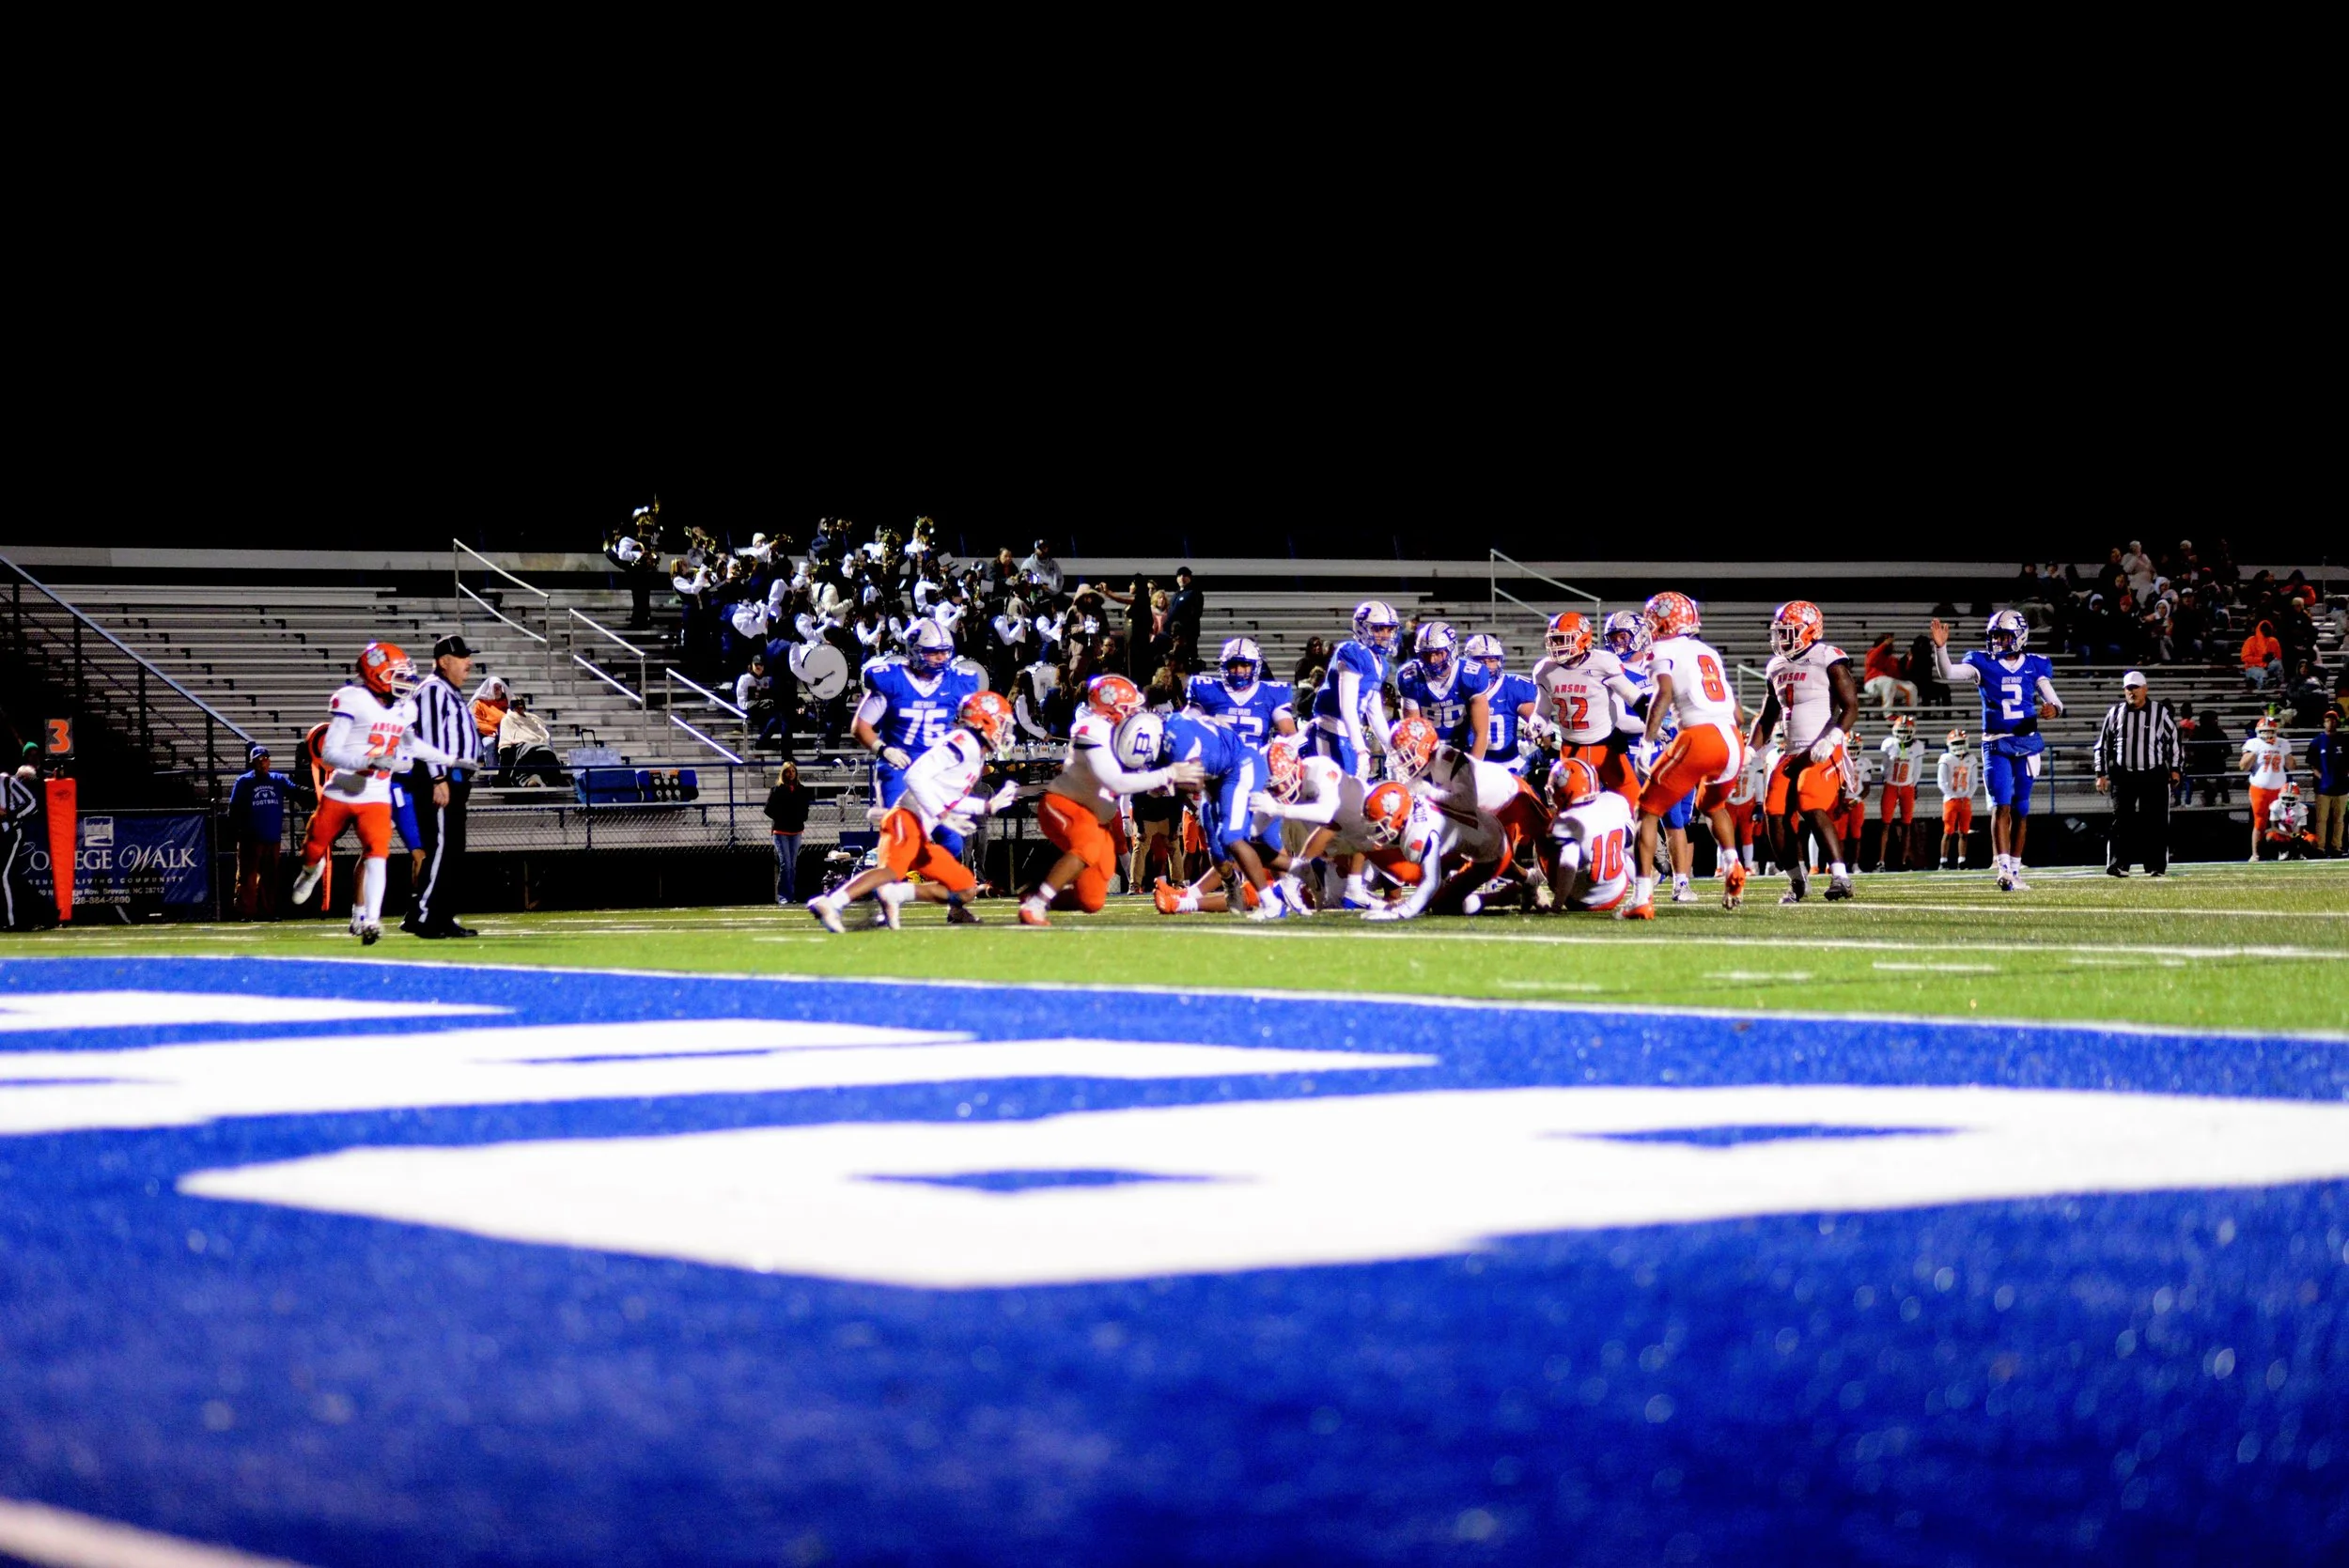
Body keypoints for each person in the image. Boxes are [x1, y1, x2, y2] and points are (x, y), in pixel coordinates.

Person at [806, 692, 1021, 933]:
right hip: (906, 818)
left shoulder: (975, 755)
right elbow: (914, 776)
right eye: (1000, 723)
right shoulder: (963, 742)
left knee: (965, 888)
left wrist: (986, 807)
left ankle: (897, 894)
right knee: (890, 872)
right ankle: (831, 903)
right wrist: (942, 814)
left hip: (920, 832)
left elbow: (950, 797)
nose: (1004, 730)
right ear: (984, 721)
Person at [290, 644, 459, 944]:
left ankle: (373, 918)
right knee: (314, 848)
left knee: (379, 853)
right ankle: (316, 875)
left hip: (382, 793)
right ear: (376, 674)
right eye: (398, 674)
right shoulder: (353, 700)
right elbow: (330, 753)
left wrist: (443, 759)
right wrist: (369, 761)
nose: (406, 681)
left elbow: (411, 746)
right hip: (345, 788)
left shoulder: (405, 708)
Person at [1019, 675, 1205, 926]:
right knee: (1087, 847)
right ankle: (1036, 906)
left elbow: (1128, 777)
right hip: (1065, 804)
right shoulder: (1092, 728)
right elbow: (1115, 781)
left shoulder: (1120, 734)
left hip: (1096, 817)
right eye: (1128, 707)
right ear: (1111, 707)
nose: (1134, 712)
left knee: (1092, 899)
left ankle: (1036, 896)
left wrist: (1157, 787)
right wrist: (1168, 774)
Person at [1620, 594, 1747, 919]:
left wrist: (1648, 741)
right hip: (1732, 739)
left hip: (1698, 736)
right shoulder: (1707, 652)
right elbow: (1739, 714)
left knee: (1646, 810)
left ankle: (1642, 898)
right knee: (1713, 805)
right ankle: (1732, 861)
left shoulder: (1661, 651)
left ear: (1660, 623)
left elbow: (1663, 693)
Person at [1931, 610, 2064, 892]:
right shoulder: (1983, 662)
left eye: (2003, 637)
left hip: (2026, 742)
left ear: (2019, 636)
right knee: (2001, 805)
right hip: (1996, 742)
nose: (1998, 642)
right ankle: (2003, 869)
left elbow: (2054, 700)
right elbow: (1949, 672)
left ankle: (2016, 869)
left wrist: (2054, 709)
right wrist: (1941, 649)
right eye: (1995, 637)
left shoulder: (2035, 664)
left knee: (2021, 809)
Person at [853, 618, 988, 877]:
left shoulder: (958, 682)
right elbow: (861, 726)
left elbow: (972, 724)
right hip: (899, 767)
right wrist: (883, 749)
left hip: (936, 771)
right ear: (915, 651)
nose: (941, 658)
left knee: (952, 842)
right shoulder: (892, 680)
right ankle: (888, 891)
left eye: (945, 652)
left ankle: (944, 892)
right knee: (899, 834)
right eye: (933, 652)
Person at [1750, 600, 1861, 903]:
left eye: (1787, 632)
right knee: (1774, 811)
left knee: (1810, 801)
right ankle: (1797, 881)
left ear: (1809, 630)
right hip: (1791, 751)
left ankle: (1841, 877)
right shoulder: (1776, 666)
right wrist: (1750, 751)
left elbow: (1851, 705)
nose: (1781, 638)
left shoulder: (1828, 657)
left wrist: (1833, 737)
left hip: (1822, 746)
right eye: (1779, 632)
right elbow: (1768, 716)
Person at [404, 634, 485, 939]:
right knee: (440, 849)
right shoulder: (434, 690)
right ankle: (427, 917)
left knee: (450, 850)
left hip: (453, 778)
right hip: (440, 778)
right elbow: (429, 738)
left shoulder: (448, 691)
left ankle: (436, 914)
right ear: (443, 661)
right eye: (462, 657)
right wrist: (438, 778)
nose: (469, 662)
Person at [1531, 613, 1642, 807]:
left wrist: (1655, 724)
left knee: (1634, 805)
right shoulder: (1545, 670)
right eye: (1554, 640)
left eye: (1562, 640)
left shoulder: (1603, 662)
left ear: (1582, 637)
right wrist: (1536, 724)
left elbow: (1635, 698)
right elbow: (1541, 711)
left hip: (1607, 748)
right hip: (1571, 749)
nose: (1557, 645)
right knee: (1570, 808)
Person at [2092, 670, 2182, 877]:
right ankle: (2118, 864)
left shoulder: (2159, 712)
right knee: (2121, 820)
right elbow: (2103, 744)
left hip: (2153, 773)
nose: (2132, 692)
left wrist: (2176, 769)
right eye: (2128, 688)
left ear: (2145, 689)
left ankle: (2155, 866)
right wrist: (2100, 773)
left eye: (2136, 688)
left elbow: (2174, 741)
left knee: (2155, 821)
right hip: (2124, 774)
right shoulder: (2115, 712)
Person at [1310, 602, 1400, 782]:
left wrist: (1391, 749)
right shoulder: (1352, 651)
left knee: (1355, 790)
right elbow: (1347, 706)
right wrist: (1360, 749)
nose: (1386, 635)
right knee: (1337, 791)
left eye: (1389, 629)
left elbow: (1374, 713)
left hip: (1347, 731)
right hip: (1331, 728)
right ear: (1362, 628)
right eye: (1379, 629)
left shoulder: (1381, 663)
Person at [226, 743, 314, 919]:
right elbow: (233, 808)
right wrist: (240, 830)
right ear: (252, 763)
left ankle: (268, 911)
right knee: (247, 877)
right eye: (258, 760)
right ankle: (247, 912)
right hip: (250, 837)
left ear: (269, 761)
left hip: (272, 836)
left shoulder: (277, 779)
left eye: (265, 759)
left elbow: (296, 791)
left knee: (270, 877)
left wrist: (317, 792)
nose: (262, 763)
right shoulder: (244, 781)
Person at [1545, 756, 1636, 912]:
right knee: (1622, 851)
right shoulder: (1616, 801)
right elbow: (1630, 842)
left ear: (1565, 790)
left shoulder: (1565, 821)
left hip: (1581, 901)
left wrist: (1557, 905)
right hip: (1617, 892)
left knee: (1551, 852)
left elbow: (1568, 863)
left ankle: (1547, 893)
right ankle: (1643, 894)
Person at [1395, 621, 1494, 759]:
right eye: (1426, 654)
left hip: (1464, 747)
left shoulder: (1472, 675)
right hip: (1427, 748)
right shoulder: (1410, 677)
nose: (1432, 660)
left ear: (1451, 650)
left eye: (1437, 653)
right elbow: (1414, 732)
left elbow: (1481, 734)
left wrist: (1472, 768)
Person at [1185, 638, 1296, 745]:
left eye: (1245, 665)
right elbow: (1185, 725)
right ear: (1225, 666)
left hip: (1256, 756)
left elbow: (1289, 735)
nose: (1239, 670)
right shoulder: (1208, 690)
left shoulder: (1271, 693)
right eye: (1233, 665)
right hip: (1219, 757)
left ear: (1256, 666)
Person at [1464, 635, 1540, 773]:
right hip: (1469, 763)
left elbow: (1536, 718)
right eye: (1480, 661)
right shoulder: (1460, 687)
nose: (1487, 666)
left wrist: (1532, 727)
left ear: (1499, 661)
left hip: (1507, 765)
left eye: (1492, 660)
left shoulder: (1512, 686)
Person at [0, 765, 52, 930]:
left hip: (11, 832)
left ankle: (13, 921)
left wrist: (10, 814)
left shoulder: (5, 781)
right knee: (12, 877)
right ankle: (39, 915)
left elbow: (31, 803)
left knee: (5, 875)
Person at [1876, 714, 1924, 872]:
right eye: (1901, 730)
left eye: (1906, 731)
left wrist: (1912, 785)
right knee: (1885, 824)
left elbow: (1917, 770)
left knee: (1906, 825)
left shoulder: (1917, 746)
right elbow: (1884, 768)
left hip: (1907, 787)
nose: (1903, 734)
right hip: (1891, 786)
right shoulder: (1889, 744)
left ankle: (1903, 860)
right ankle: (1881, 861)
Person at [2241, 717, 2293, 862]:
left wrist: (2285, 754)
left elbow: (2292, 766)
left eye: (2270, 731)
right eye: (2264, 731)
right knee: (2259, 822)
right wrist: (2255, 752)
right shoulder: (2253, 743)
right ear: (2258, 731)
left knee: (2284, 820)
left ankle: (2284, 851)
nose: (2267, 734)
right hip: (2260, 788)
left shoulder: (2282, 743)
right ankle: (2256, 854)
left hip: (2280, 789)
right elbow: (2243, 766)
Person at [764, 763, 814, 905]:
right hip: (781, 831)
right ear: (783, 773)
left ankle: (790, 895)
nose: (791, 774)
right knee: (785, 863)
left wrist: (801, 818)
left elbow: (805, 808)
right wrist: (782, 818)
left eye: (793, 771)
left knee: (792, 864)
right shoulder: (777, 790)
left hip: (796, 830)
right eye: (788, 771)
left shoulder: (801, 790)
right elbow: (768, 809)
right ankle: (783, 896)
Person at [1937, 729, 1983, 869]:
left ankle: (1962, 860)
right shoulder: (1946, 758)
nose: (1959, 745)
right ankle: (1943, 861)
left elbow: (1974, 781)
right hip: (1951, 800)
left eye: (1961, 742)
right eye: (1956, 743)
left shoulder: (1971, 759)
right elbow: (1942, 782)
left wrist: (1967, 796)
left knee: (1964, 832)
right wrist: (1952, 796)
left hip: (1965, 800)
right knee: (1948, 831)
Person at [2310, 708, 2346, 857]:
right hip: (2322, 789)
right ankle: (2320, 847)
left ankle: (2337, 847)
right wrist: (2322, 778)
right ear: (2324, 723)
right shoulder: (2317, 742)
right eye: (2327, 720)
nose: (2330, 723)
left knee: (2339, 820)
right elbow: (2313, 765)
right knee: (2321, 820)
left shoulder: (2345, 740)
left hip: (2342, 787)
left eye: (2333, 720)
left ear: (2337, 722)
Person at [1860, 633, 1918, 712]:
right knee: (1888, 681)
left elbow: (1898, 675)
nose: (1891, 646)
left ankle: (1911, 714)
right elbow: (1871, 660)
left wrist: (1909, 660)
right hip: (1873, 684)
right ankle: (1888, 713)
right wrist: (1884, 644)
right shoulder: (1871, 653)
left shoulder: (1892, 660)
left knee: (1911, 687)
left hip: (1889, 685)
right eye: (1889, 644)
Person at [1166, 567, 1205, 652]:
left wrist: (1182, 625)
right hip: (1174, 633)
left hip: (1187, 633)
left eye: (1185, 576)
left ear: (1190, 578)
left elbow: (1196, 613)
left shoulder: (1195, 593)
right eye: (1179, 575)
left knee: (1188, 654)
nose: (1182, 578)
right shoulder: (1176, 594)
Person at [2241, 619, 2284, 690]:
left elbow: (2278, 657)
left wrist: (2271, 658)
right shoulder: (2250, 640)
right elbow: (2244, 658)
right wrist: (2262, 659)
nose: (2265, 632)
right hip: (2252, 667)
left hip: (2268, 666)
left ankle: (2279, 684)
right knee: (2263, 674)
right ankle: (2261, 690)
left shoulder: (2273, 641)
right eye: (2264, 630)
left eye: (2267, 629)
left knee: (2278, 664)